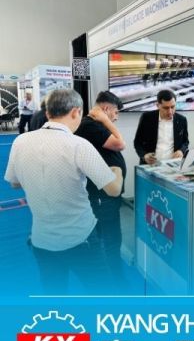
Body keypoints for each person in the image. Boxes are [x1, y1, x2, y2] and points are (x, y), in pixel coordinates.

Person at [4, 89, 123, 294]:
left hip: (41, 240)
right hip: (81, 239)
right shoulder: (78, 145)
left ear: (48, 112)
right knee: (103, 294)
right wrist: (117, 171)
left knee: (54, 297)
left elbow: (14, 183)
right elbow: (113, 190)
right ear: (76, 112)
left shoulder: (20, 141)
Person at [75, 90, 127, 285]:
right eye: (115, 112)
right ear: (106, 109)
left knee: (110, 238)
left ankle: (112, 276)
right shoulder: (91, 125)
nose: (116, 117)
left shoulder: (93, 125)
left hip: (104, 194)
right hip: (101, 196)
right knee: (110, 240)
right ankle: (115, 282)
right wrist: (106, 120)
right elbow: (120, 144)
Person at [134, 89, 189, 165]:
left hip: (173, 164)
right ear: (158, 105)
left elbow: (185, 142)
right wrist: (144, 155)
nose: (170, 111)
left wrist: (181, 151)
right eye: (166, 108)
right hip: (150, 165)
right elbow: (137, 142)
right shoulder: (147, 118)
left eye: (172, 107)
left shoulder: (182, 120)